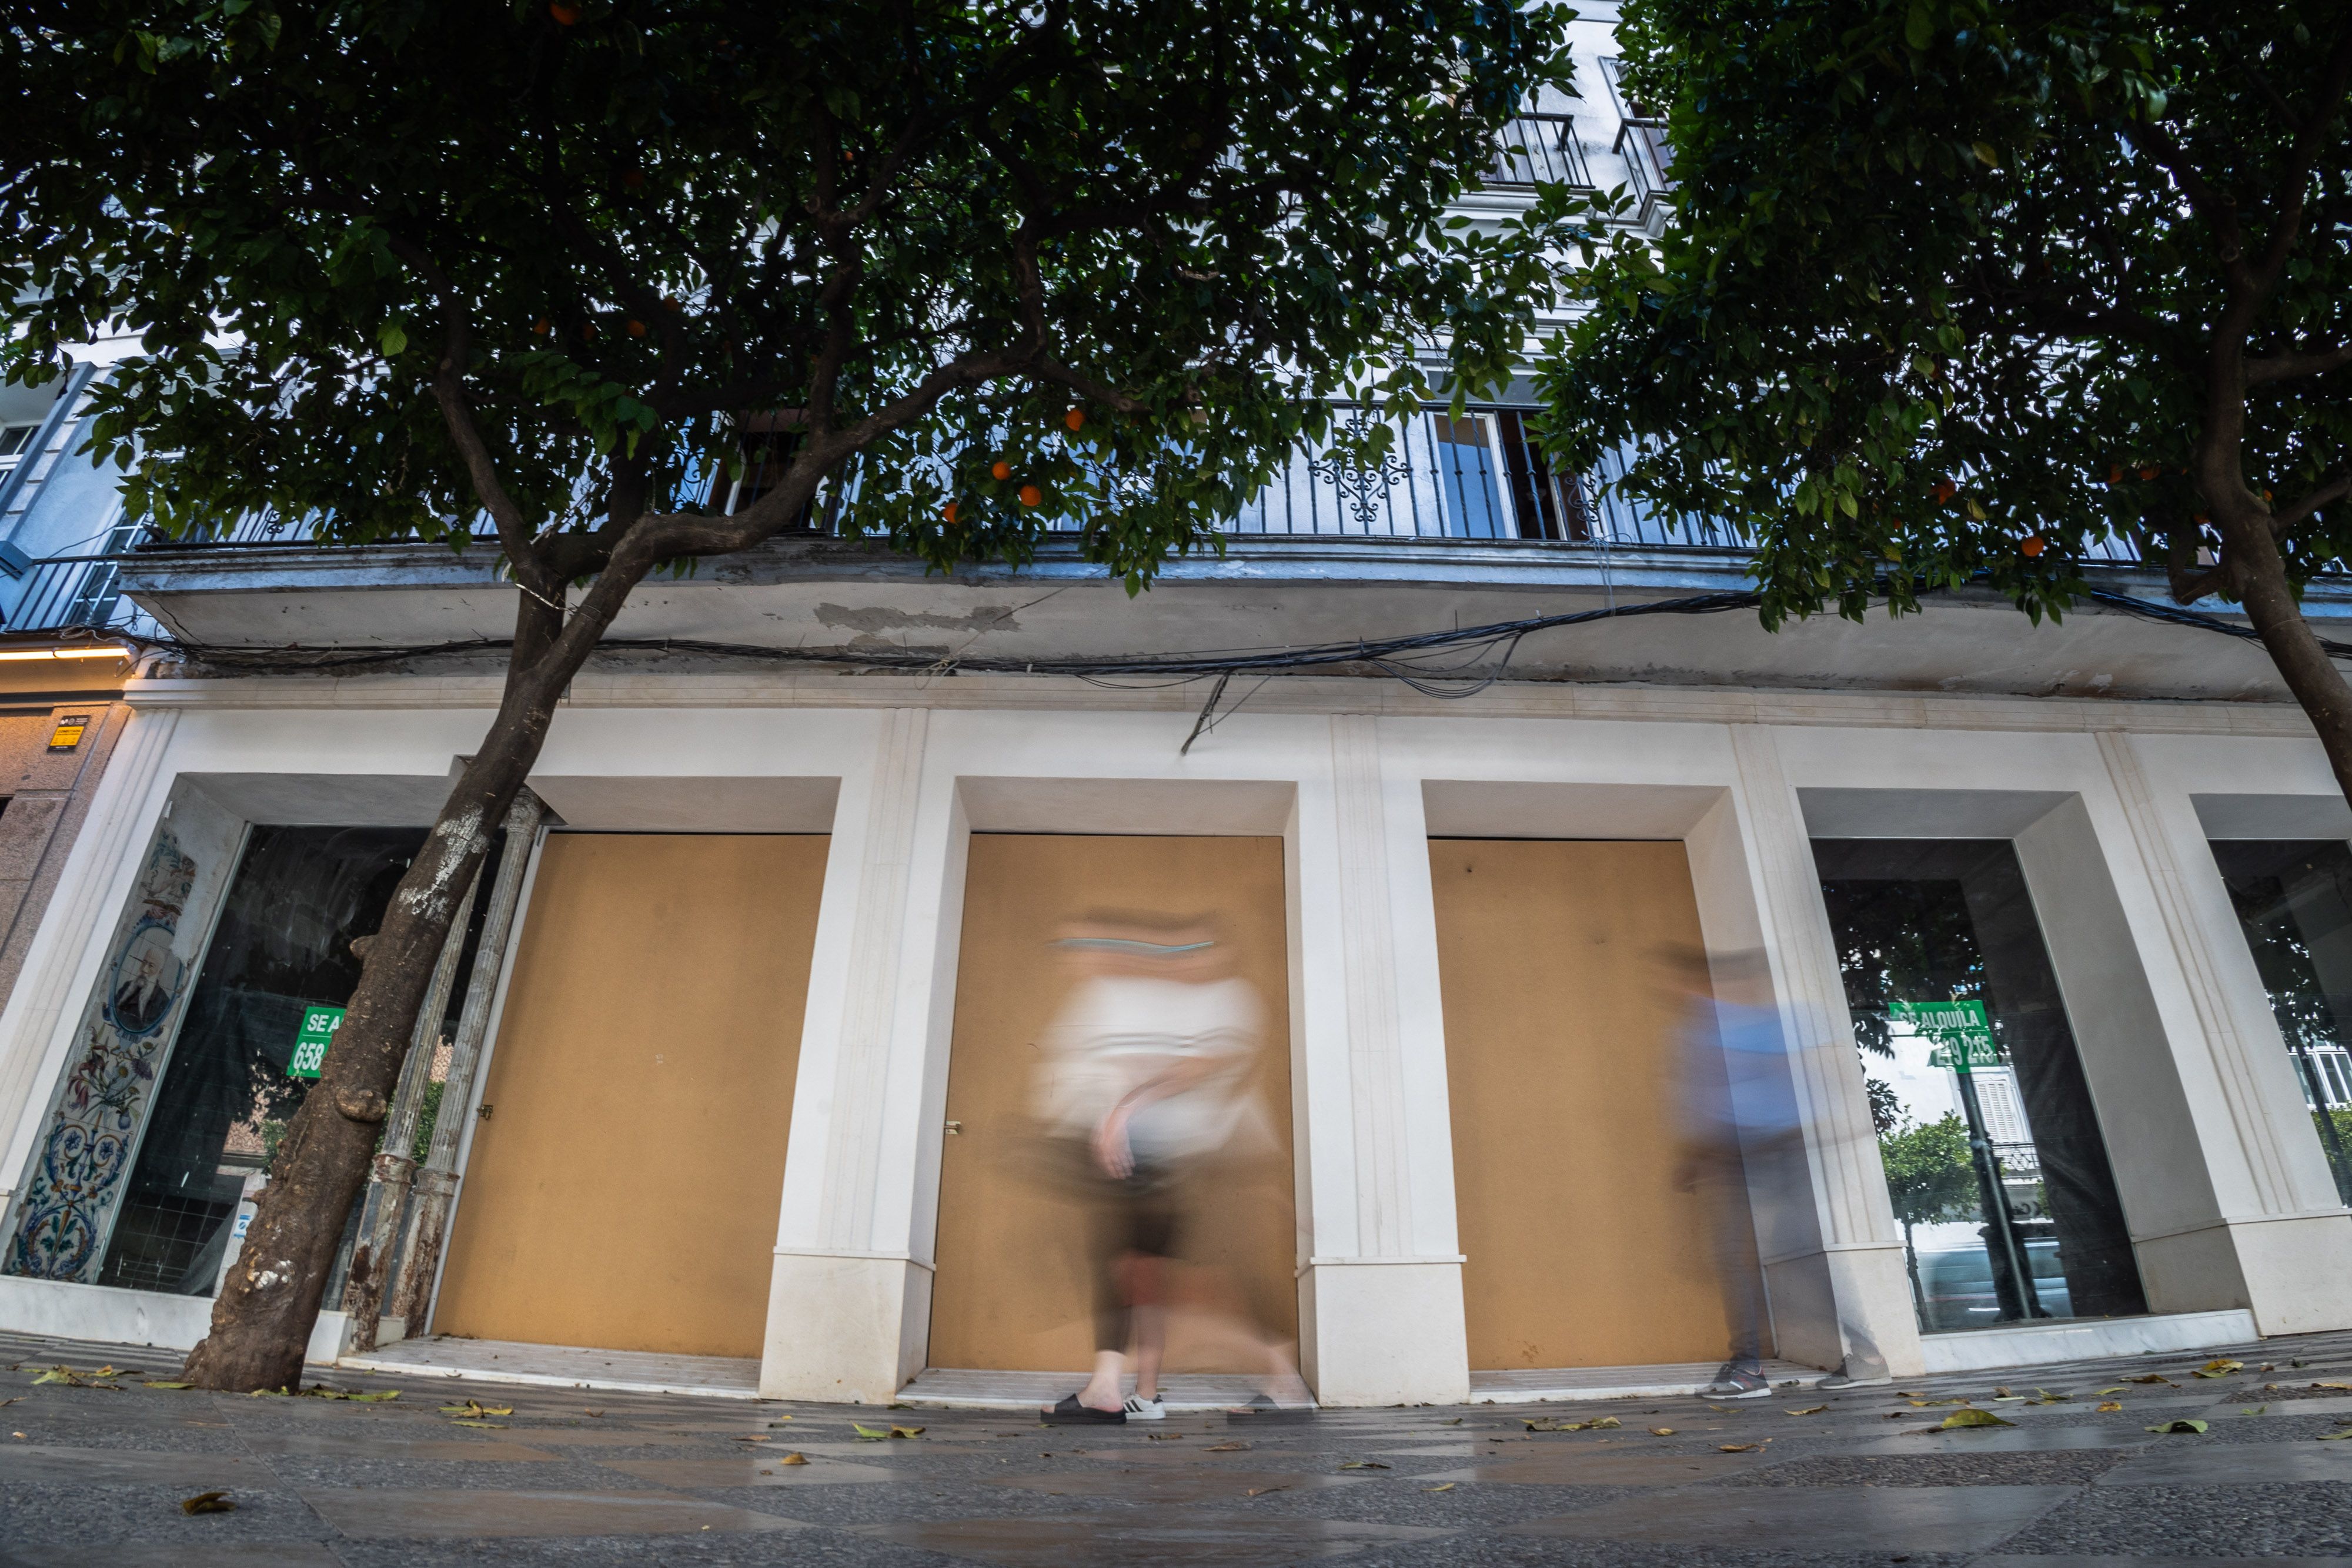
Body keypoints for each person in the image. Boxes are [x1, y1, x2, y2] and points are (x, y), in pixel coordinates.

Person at [1031, 911, 1302, 1423]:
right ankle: (1135, 1391)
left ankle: (1281, 1381)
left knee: (1176, 1281)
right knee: (1138, 1271)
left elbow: (1201, 1068)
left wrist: (1124, 1107)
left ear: (1218, 953)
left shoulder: (1231, 998)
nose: (1180, 962)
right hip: (1152, 1158)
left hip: (1191, 1163)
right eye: (1175, 951)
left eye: (1194, 950)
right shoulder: (1168, 1001)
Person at [1670, 947, 1887, 1400]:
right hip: (1758, 1150)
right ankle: (1849, 1358)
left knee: (1765, 1258)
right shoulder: (1738, 1026)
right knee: (1764, 1258)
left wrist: (1696, 1154)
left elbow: (1717, 1096)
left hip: (1761, 1149)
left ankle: (1760, 1367)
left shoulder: (1730, 1027)